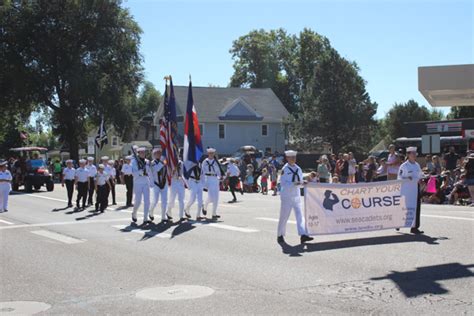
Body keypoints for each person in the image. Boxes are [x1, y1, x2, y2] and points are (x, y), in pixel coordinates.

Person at [277, 150, 313, 244]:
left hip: (296, 195)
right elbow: (283, 183)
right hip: (287, 195)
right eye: (291, 157)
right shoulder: (285, 169)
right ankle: (280, 235)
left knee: (300, 215)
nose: (293, 159)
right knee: (284, 216)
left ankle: (303, 234)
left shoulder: (298, 168)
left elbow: (300, 182)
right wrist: (296, 183)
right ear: (287, 158)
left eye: (294, 157)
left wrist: (303, 183)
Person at [398, 146, 424, 234]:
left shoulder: (417, 165)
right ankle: (398, 223)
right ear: (408, 155)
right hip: (406, 190)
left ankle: (415, 227)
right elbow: (399, 178)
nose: (414, 155)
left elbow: (420, 175)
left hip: (415, 189)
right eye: (412, 153)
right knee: (404, 208)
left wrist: (422, 179)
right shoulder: (404, 166)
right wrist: (406, 178)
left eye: (415, 153)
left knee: (416, 207)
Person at [202, 148, 223, 220]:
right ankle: (204, 206)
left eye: (212, 153)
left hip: (215, 179)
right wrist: (203, 182)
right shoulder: (205, 161)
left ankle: (214, 213)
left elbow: (219, 171)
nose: (211, 154)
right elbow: (202, 172)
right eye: (210, 153)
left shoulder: (216, 162)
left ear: (214, 154)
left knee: (216, 197)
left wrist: (219, 178)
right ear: (208, 154)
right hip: (208, 179)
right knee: (211, 197)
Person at [131, 147, 151, 224]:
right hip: (138, 183)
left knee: (147, 201)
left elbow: (149, 172)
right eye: (141, 153)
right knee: (138, 201)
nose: (143, 154)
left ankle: (145, 218)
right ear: (138, 153)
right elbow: (133, 173)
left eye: (144, 152)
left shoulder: (147, 162)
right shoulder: (134, 162)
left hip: (146, 182)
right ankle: (134, 213)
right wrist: (140, 172)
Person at [149, 147, 168, 223]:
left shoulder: (163, 162)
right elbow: (157, 169)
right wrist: (164, 163)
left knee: (164, 201)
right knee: (155, 201)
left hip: (164, 183)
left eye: (159, 153)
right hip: (156, 184)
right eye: (156, 153)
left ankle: (163, 216)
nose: (158, 155)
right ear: (154, 155)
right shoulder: (152, 163)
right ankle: (151, 211)